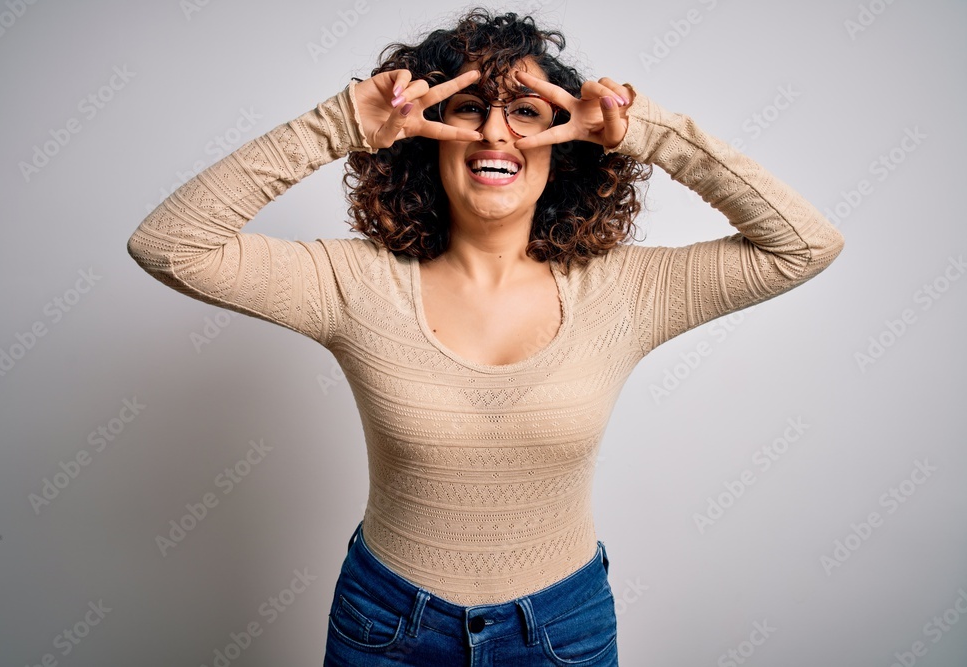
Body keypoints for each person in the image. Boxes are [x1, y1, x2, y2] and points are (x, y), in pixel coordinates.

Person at [126, 7, 844, 666]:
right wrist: (338, 122)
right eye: (469, 109)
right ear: (425, 138)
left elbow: (804, 245)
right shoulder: (356, 283)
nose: (497, 133)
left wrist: (645, 130)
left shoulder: (624, 291)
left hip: (562, 631)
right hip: (385, 629)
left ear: (566, 144)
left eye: (527, 113)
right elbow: (169, 246)